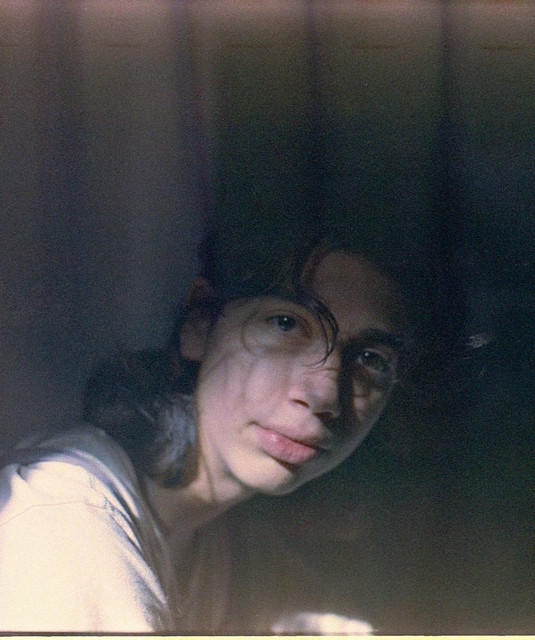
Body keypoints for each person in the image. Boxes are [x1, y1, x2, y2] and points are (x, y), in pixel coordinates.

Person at [0, 228, 416, 633]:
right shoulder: (64, 523)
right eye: (285, 324)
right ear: (200, 324)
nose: (324, 395)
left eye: (371, 359)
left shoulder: (230, 544)